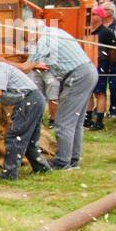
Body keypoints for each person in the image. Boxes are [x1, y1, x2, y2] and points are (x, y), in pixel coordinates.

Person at [19, 20, 98, 170]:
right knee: (75, 122)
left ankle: (62, 162)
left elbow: (26, 68)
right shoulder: (55, 32)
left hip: (77, 76)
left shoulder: (44, 40)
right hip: (86, 72)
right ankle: (72, 160)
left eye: (26, 35)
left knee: (63, 122)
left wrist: (3, 62)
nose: (27, 39)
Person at [87, 5, 116, 129]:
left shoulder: (107, 33)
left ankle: (99, 121)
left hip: (101, 64)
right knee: (88, 92)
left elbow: (113, 51)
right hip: (88, 65)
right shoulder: (86, 30)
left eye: (94, 14)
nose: (91, 16)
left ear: (100, 16)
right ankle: (88, 118)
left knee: (100, 93)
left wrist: (109, 65)